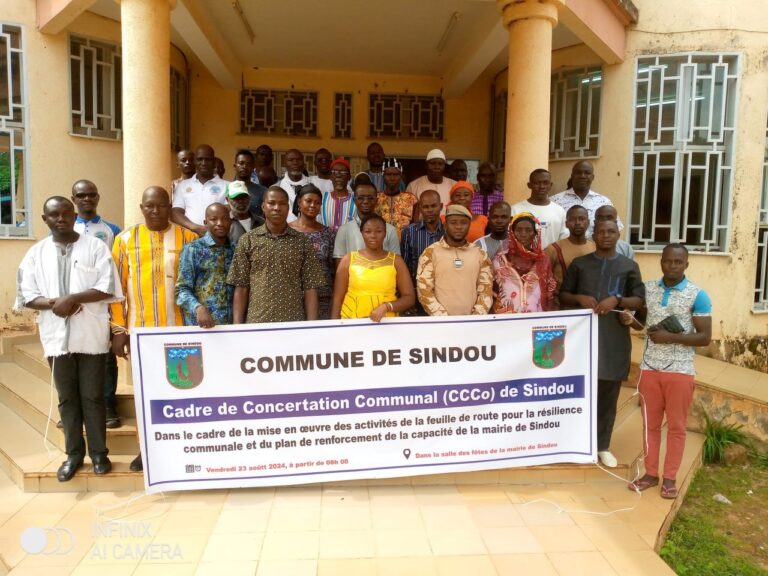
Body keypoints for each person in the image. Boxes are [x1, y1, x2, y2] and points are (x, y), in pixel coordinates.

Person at [16, 197, 122, 481]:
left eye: (66, 213)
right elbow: (27, 295)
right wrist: (54, 304)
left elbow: (108, 286)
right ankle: (73, 455)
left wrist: (74, 298)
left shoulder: (96, 247)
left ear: (74, 215)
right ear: (44, 219)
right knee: (67, 399)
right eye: (54, 214)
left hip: (91, 336)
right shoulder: (36, 254)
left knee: (93, 397)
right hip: (56, 339)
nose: (61, 218)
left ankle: (99, 454)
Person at [112, 186, 198, 472]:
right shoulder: (124, 240)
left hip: (181, 333)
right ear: (141, 207)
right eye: (149, 206)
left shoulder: (188, 237)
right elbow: (116, 291)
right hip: (141, 334)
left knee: (183, 389)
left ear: (169, 205)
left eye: (161, 205)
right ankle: (145, 450)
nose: (155, 211)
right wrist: (118, 330)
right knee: (146, 393)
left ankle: (183, 447)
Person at [622, 244, 712, 499]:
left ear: (686, 264)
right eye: (667, 261)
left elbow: (705, 337)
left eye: (678, 262)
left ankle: (670, 478)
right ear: (661, 262)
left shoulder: (698, 295)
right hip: (649, 368)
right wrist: (632, 321)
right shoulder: (648, 289)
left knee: (676, 427)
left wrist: (670, 337)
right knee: (649, 425)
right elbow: (644, 326)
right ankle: (651, 474)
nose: (672, 266)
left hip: (680, 372)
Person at [559, 220, 645, 468]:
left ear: (619, 234)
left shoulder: (629, 266)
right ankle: (575, 443)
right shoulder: (580, 265)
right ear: (593, 235)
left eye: (611, 232)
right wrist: (579, 297)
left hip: (613, 338)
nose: (606, 236)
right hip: (580, 339)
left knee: (608, 394)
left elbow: (639, 299)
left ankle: (602, 446)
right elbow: (563, 295)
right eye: (601, 232)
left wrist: (616, 299)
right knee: (578, 393)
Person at [228, 186, 327, 323]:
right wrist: (238, 328)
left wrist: (310, 327)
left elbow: (310, 288)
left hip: (293, 323)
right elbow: (241, 286)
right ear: (263, 206)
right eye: (272, 203)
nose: (276, 208)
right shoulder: (247, 240)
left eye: (282, 204)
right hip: (258, 322)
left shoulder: (303, 242)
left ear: (288, 207)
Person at [70, 180, 122, 429]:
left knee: (106, 354)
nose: (86, 199)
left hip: (102, 303)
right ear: (74, 199)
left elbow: (118, 268)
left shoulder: (111, 228)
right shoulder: (65, 228)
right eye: (81, 195)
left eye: (91, 195)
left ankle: (108, 403)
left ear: (98, 197)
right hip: (73, 304)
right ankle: (75, 406)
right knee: (74, 352)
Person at [331, 214, 415, 321]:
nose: (373, 235)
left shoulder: (396, 261)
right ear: (361, 233)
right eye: (368, 232)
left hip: (386, 323)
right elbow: (338, 298)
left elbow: (409, 298)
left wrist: (386, 306)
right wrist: (334, 327)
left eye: (379, 231)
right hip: (352, 321)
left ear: (385, 233)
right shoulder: (348, 260)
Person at [417, 204, 493, 316]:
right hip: (441, 324)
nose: (458, 227)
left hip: (473, 324)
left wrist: (475, 318)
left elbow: (486, 290)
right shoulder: (430, 253)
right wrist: (444, 319)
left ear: (469, 225)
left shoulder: (480, 254)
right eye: (453, 222)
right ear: (445, 225)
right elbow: (424, 290)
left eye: (463, 223)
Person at [176, 203, 235, 328]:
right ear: (205, 222)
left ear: (230, 221)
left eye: (224, 218)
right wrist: (197, 308)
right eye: (213, 219)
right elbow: (182, 289)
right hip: (201, 326)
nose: (220, 223)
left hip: (232, 327)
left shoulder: (236, 249)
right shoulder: (192, 249)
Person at [492, 212, 556, 314]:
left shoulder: (543, 260)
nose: (523, 234)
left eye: (528, 230)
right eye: (519, 230)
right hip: (505, 320)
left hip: (536, 320)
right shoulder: (499, 260)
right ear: (512, 233)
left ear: (535, 233)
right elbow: (491, 292)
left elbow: (549, 292)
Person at [290, 184, 336, 319]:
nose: (312, 205)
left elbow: (333, 268)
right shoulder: (287, 231)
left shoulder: (328, 233)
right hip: (293, 297)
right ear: (299, 202)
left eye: (317, 203)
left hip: (323, 297)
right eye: (308, 201)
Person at [551, 160, 623, 238]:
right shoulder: (555, 201)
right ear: (572, 176)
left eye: (587, 173)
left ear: (592, 177)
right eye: (578, 172)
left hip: (597, 249)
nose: (582, 176)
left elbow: (615, 229)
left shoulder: (604, 202)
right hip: (565, 249)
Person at [333, 182, 400, 261]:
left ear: (376, 200)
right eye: (360, 198)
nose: (365, 201)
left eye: (370, 198)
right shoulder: (344, 230)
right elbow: (339, 265)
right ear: (354, 200)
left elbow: (396, 261)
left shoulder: (390, 230)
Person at [171, 144, 228, 236]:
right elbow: (175, 213)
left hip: (217, 240)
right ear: (194, 161)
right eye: (200, 159)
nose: (204, 163)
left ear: (214, 162)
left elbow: (230, 212)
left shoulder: (227, 185)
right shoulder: (183, 185)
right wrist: (196, 228)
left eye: (207, 159)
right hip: (189, 237)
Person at [545, 205, 595, 308]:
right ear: (566, 224)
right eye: (572, 220)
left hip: (589, 307)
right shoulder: (553, 249)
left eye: (581, 219)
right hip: (559, 307)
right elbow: (543, 278)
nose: (577, 223)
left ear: (588, 222)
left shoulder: (595, 247)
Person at [511, 169, 568, 249]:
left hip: (552, 260)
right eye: (537, 183)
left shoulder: (559, 211)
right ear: (529, 185)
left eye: (545, 183)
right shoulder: (515, 210)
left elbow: (564, 239)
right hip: (522, 260)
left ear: (550, 185)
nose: (542, 186)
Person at [400, 190, 444, 292]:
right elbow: (405, 266)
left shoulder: (448, 232)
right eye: (425, 207)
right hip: (418, 290)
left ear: (441, 206)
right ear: (420, 208)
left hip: (444, 290)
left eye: (433, 206)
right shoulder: (409, 232)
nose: (430, 210)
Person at [376, 157, 417, 238]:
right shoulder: (375, 198)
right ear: (383, 176)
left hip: (405, 244)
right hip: (381, 244)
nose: (392, 178)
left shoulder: (411, 199)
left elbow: (415, 224)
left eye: (395, 174)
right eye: (388, 174)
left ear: (401, 175)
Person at [317, 158, 357, 231]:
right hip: (326, 241)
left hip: (349, 241)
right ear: (330, 176)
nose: (338, 175)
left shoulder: (356, 199)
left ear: (349, 177)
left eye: (343, 172)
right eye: (334, 172)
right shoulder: (322, 198)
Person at [227, 181, 265, 246]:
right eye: (235, 198)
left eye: (243, 197)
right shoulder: (225, 224)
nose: (240, 201)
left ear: (249, 198)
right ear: (227, 199)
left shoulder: (261, 222)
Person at [277, 148, 310, 221]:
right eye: (291, 160)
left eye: (299, 159)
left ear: (304, 163)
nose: (295, 163)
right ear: (285, 163)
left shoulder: (313, 185)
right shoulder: (276, 187)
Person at [233, 149, 267, 218]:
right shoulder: (227, 189)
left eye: (248, 164)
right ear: (235, 166)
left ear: (253, 167)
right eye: (241, 163)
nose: (244, 166)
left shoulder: (263, 191)